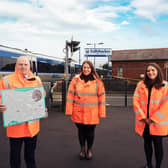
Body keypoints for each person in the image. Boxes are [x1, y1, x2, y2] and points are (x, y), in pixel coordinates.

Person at [0, 56, 45, 168]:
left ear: (29, 66)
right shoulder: (6, 80)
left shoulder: (37, 79)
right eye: (20, 64)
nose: (23, 67)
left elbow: (42, 95)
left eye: (25, 64)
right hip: (15, 126)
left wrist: (42, 107)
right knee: (15, 157)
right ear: (16, 65)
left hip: (32, 126)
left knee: (30, 156)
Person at [65, 60, 106, 160]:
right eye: (84, 67)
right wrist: (69, 110)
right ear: (82, 68)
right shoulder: (75, 80)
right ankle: (82, 149)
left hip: (92, 113)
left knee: (90, 132)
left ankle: (89, 150)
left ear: (91, 69)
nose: (86, 69)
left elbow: (102, 98)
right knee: (81, 132)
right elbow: (70, 95)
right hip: (78, 112)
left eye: (88, 67)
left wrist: (102, 112)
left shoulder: (98, 82)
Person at [133, 63, 168, 168]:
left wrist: (154, 119)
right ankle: (149, 164)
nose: (150, 72)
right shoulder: (141, 84)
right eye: (148, 71)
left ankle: (158, 166)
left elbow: (166, 105)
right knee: (147, 145)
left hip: (157, 123)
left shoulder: (165, 86)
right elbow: (136, 100)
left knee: (158, 146)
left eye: (153, 70)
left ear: (158, 71)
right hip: (144, 123)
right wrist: (143, 117)